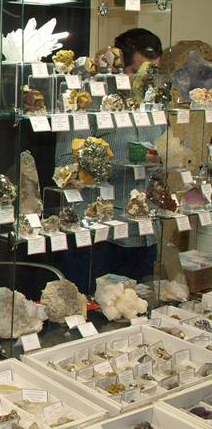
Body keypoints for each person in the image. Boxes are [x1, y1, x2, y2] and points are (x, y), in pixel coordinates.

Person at [54, 28, 163, 283]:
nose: (145, 80)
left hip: (145, 234)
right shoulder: (86, 99)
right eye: (136, 72)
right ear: (118, 65)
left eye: (152, 72)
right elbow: (64, 164)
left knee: (141, 303)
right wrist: (110, 163)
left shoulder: (155, 103)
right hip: (100, 238)